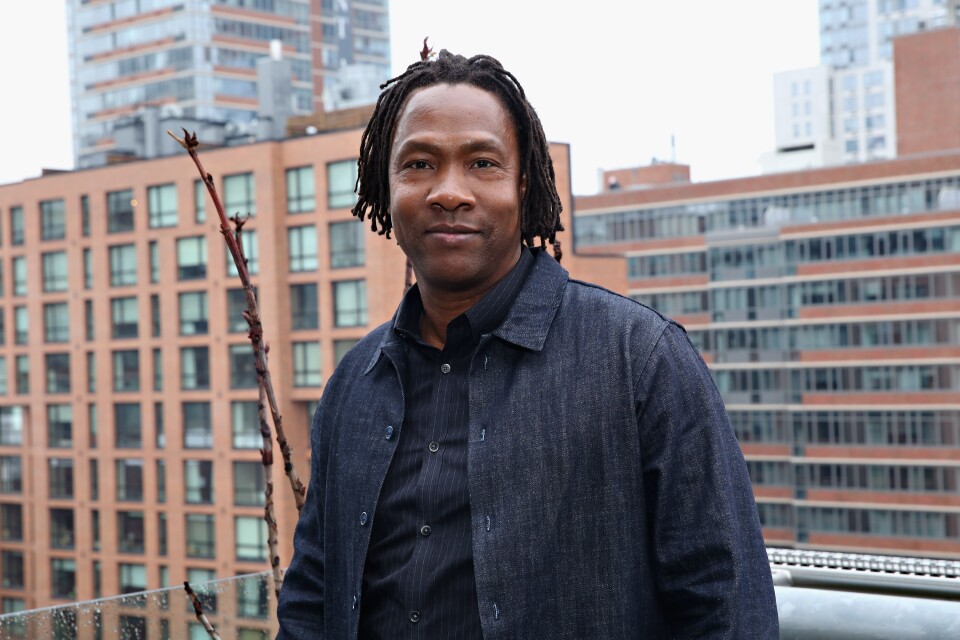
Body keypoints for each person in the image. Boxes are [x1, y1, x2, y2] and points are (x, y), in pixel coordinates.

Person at [277, 50, 779, 639]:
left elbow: (727, 608)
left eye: (482, 163)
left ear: (522, 183)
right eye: (418, 164)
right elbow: (313, 598)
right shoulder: (355, 381)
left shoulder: (640, 359)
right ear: (385, 189)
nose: (449, 191)